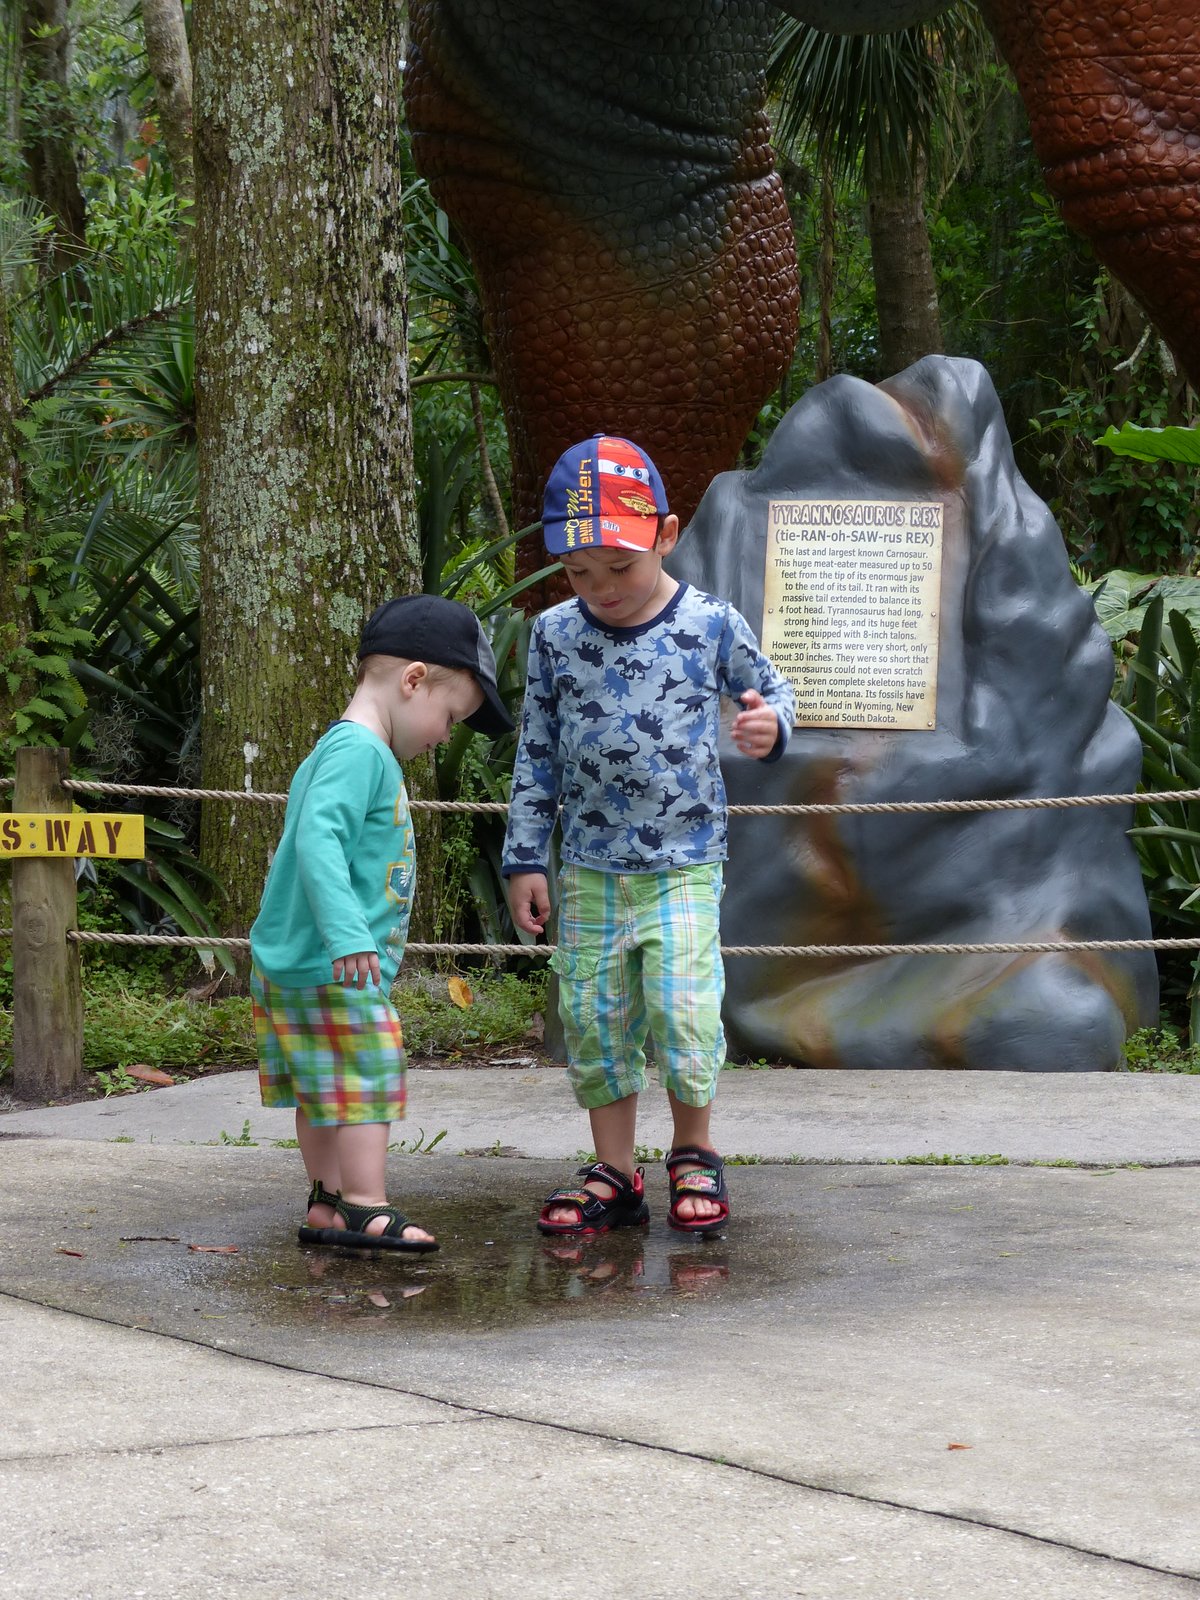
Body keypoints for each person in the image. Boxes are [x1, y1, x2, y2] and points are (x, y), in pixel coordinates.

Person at [504, 434, 795, 1238]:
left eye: (619, 567)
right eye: (579, 572)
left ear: (665, 534)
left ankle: (694, 1150)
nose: (600, 588)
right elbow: (535, 750)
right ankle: (615, 1169)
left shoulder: (709, 623)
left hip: (684, 864)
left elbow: (769, 688)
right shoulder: (555, 635)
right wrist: (525, 856)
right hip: (590, 867)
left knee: (683, 1006)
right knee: (594, 1013)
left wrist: (771, 723)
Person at [250, 594, 514, 1252]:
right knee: (366, 1071)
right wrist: (348, 935)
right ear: (414, 680)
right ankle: (368, 1205)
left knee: (324, 1084)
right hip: (334, 961)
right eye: (450, 717)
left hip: (301, 961)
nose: (445, 735)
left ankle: (329, 1204)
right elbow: (317, 839)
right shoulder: (361, 753)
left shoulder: (341, 751)